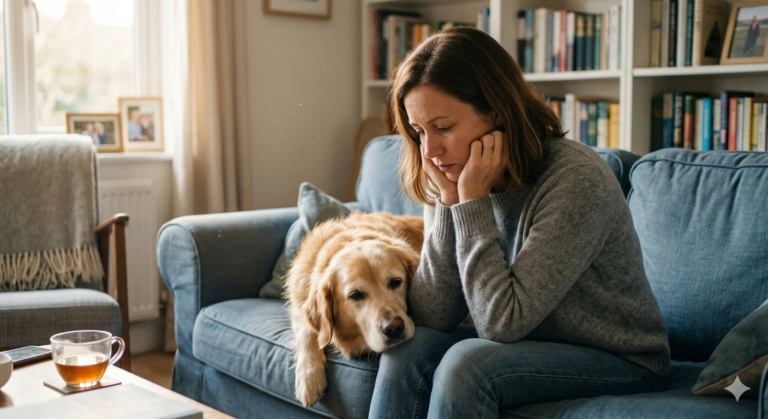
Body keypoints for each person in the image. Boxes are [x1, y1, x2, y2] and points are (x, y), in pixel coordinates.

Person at [368, 27, 670, 419]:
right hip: (532, 343)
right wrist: (448, 202)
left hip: (622, 359)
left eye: (443, 128)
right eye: (418, 131)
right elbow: (432, 316)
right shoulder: (452, 173)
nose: (430, 151)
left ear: (497, 110)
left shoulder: (575, 179)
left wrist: (471, 202)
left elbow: (501, 324)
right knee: (408, 348)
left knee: (468, 365)